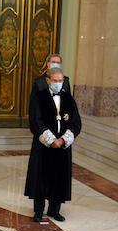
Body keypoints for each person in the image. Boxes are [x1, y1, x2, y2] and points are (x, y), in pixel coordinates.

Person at [24, 67, 81, 222]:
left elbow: (76, 123)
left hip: (62, 147)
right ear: (48, 80)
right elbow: (35, 120)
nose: (58, 84)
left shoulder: (69, 99)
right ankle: (38, 210)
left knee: (59, 177)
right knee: (41, 178)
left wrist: (63, 140)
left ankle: (54, 209)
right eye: (55, 81)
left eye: (60, 81)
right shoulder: (39, 97)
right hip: (43, 146)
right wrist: (50, 140)